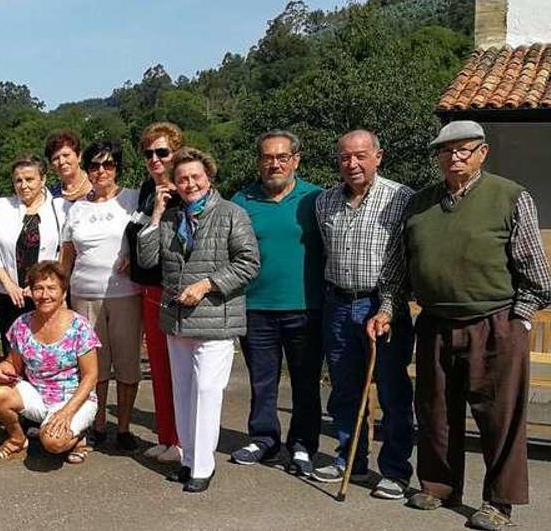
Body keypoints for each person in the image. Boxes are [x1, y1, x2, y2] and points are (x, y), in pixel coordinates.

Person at [370, 121, 551, 531]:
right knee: (434, 411)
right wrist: (386, 307)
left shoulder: (510, 197)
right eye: (445, 151)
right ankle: (439, 486)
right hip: (434, 322)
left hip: (495, 323)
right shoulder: (419, 204)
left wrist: (518, 320)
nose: (454, 157)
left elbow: (538, 277)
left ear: (482, 153)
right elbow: (398, 271)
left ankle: (499, 503)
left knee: (499, 417)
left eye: (463, 150)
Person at [137, 148, 260, 493]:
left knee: (207, 391)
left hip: (215, 319)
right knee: (184, 392)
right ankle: (189, 460)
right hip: (177, 319)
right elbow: (147, 260)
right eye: (182, 178)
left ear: (209, 178)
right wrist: (157, 214)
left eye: (196, 177)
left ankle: (203, 467)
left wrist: (207, 285)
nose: (190, 184)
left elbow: (249, 263)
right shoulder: (172, 217)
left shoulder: (232, 214)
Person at [309, 130, 416, 500]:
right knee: (343, 389)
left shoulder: (401, 198)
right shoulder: (324, 202)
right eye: (344, 158)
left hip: (383, 304)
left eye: (360, 156)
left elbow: (403, 263)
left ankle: (395, 470)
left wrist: (387, 308)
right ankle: (349, 460)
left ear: (378, 157)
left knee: (392, 390)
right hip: (338, 304)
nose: (352, 164)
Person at [229, 130, 325, 476]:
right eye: (268, 157)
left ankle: (302, 445)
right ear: (259, 161)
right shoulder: (242, 200)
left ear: (295, 160)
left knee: (305, 382)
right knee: (262, 381)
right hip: (256, 307)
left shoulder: (316, 199)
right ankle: (264, 438)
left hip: (306, 306)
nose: (275, 164)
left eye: (282, 157)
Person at [59, 141, 143, 450]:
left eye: (108, 165)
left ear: (117, 167)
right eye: (94, 166)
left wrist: (135, 255)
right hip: (84, 294)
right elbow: (65, 257)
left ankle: (123, 426)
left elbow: (151, 233)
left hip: (125, 294)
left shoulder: (133, 200)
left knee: (126, 362)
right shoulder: (77, 208)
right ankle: (97, 423)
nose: (101, 171)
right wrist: (60, 299)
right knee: (94, 364)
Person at [0, 261, 100, 465]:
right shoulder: (21, 324)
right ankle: (17, 439)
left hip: (73, 398)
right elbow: (12, 364)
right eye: (38, 288)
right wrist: (2, 368)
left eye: (51, 288)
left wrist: (67, 412)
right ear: (31, 292)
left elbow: (91, 376)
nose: (45, 295)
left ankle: (80, 437)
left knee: (52, 443)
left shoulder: (79, 326)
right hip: (38, 396)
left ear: (64, 293)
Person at [124, 122, 184, 462]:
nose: (155, 159)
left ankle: (181, 439)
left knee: (178, 369)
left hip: (172, 289)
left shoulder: (183, 191)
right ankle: (165, 436)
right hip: (147, 287)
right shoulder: (148, 188)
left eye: (162, 152)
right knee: (159, 367)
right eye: (149, 153)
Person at [0, 155, 64, 357]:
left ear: (43, 179)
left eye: (29, 179)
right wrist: (9, 285)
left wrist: (38, 286)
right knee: (13, 355)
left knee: (44, 354)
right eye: (18, 180)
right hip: (9, 295)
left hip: (45, 294)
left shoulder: (60, 208)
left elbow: (63, 252)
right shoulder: (3, 206)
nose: (24, 185)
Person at [45, 130, 90, 203]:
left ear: (79, 156)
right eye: (56, 158)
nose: (61, 162)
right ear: (51, 165)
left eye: (66, 155)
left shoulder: (97, 185)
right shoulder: (50, 195)